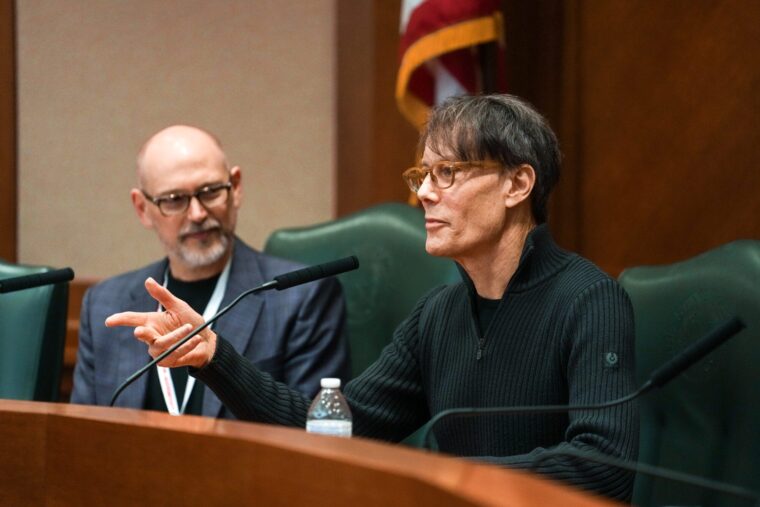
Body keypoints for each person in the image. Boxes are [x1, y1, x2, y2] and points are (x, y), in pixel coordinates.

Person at [106, 96, 638, 500]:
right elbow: (332, 428)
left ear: (518, 184)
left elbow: (603, 463)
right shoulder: (438, 315)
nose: (425, 192)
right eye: (423, 174)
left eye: (447, 173)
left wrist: (446, 475)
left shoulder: (589, 300)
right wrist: (214, 358)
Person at [71, 125, 350, 418]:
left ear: (236, 188)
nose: (197, 214)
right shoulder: (105, 303)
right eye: (174, 199)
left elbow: (315, 432)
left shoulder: (302, 298)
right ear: (142, 208)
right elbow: (82, 438)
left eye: (211, 192)